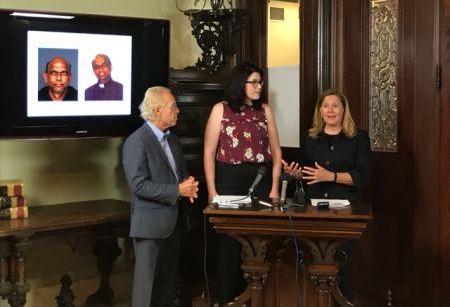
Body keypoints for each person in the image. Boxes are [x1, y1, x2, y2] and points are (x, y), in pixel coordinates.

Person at [282, 88, 372, 302]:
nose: (330, 110)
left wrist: (331, 176)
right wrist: (296, 174)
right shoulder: (310, 137)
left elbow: (362, 176)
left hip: (345, 211)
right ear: (320, 111)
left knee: (343, 266)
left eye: (335, 106)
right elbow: (307, 172)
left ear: (343, 110)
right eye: (325, 106)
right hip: (314, 209)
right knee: (313, 265)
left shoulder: (359, 138)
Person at [203, 61, 282, 305]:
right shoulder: (221, 110)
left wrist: (274, 188)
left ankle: (256, 299)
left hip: (260, 179)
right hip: (228, 179)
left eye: (261, 82)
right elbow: (209, 154)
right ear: (241, 84)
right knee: (229, 243)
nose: (259, 87)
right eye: (254, 82)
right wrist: (212, 190)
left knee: (258, 242)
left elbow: (277, 153)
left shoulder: (265, 111)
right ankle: (228, 299)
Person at [122, 86, 199, 307]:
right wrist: (177, 191)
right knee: (146, 289)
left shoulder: (172, 139)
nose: (178, 111)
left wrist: (189, 186)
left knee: (166, 286)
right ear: (156, 111)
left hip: (173, 223)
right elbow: (138, 185)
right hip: (150, 226)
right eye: (173, 107)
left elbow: (180, 173)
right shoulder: (137, 141)